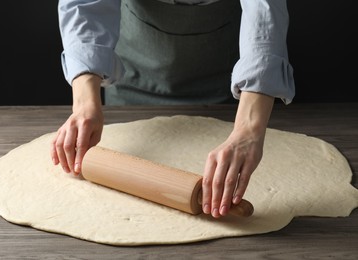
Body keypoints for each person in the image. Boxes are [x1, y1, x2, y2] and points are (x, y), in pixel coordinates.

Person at [51, 0, 295, 219]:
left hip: (230, 82)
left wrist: (249, 128)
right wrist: (84, 102)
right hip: (134, 74)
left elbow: (264, 7)